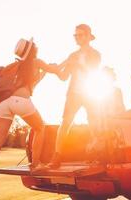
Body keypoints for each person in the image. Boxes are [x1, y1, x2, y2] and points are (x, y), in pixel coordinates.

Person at [0, 38, 58, 200]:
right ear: (33, 50)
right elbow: (56, 71)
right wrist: (56, 67)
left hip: (5, 104)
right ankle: (36, 164)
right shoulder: (36, 62)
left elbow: (31, 83)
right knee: (40, 128)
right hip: (21, 102)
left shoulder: (16, 67)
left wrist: (44, 73)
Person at [47, 24, 101, 169]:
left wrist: (77, 64)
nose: (77, 38)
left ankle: (96, 155)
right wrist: (55, 70)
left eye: (80, 35)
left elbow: (92, 72)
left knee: (94, 124)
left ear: (89, 36)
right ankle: (57, 156)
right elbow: (64, 76)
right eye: (75, 35)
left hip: (90, 93)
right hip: (74, 94)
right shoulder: (72, 55)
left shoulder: (95, 54)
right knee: (65, 123)